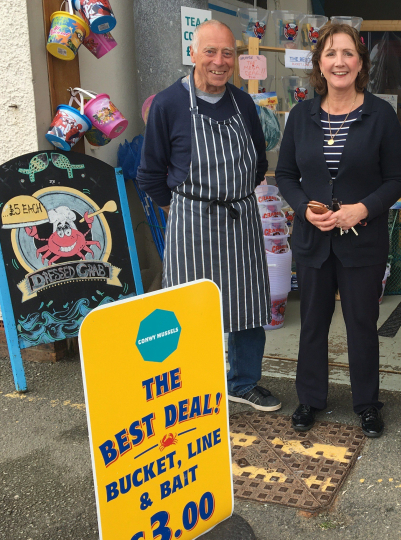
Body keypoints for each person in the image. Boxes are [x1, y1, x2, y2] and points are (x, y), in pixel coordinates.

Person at [137, 20, 280, 412]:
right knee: (189, 309)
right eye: (210, 52)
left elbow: (258, 160)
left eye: (228, 53)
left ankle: (243, 382)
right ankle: (191, 388)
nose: (219, 61)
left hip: (241, 215)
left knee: (248, 304)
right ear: (193, 54)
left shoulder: (243, 103)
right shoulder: (168, 104)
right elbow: (149, 173)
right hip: (191, 219)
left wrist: (236, 194)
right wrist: (180, 208)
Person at [275, 23, 401, 437]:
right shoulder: (301, 116)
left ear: (361, 63)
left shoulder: (380, 115)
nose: (340, 61)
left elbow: (396, 178)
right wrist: (302, 208)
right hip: (313, 240)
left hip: (362, 241)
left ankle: (367, 403)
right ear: (319, 63)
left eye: (348, 53)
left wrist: (362, 210)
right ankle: (310, 399)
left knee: (361, 324)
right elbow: (286, 174)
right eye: (331, 53)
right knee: (312, 322)